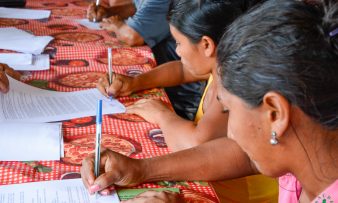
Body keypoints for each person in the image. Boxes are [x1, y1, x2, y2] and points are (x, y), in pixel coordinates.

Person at [81, 0, 338, 202]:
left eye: (227, 109)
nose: (230, 131)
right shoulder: (300, 167)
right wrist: (140, 169)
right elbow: (242, 156)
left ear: (275, 114)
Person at [87, 0, 204, 120]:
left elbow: (197, 138)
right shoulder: (206, 66)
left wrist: (162, 116)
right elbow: (184, 71)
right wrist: (134, 82)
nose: (177, 52)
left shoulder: (220, 86)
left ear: (206, 45)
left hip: (187, 105)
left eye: (178, 43)